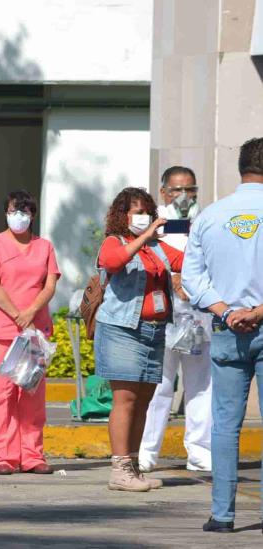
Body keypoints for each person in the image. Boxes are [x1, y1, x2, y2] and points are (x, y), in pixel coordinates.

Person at [182, 137, 263, 534]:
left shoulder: (210, 216)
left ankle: (222, 515)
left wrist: (228, 312)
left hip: (226, 329)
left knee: (225, 424)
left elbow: (192, 281)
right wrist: (258, 312)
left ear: (241, 169)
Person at [94, 187, 183, 492]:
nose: (144, 217)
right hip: (122, 331)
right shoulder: (114, 242)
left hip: (154, 332)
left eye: (147, 211)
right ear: (122, 215)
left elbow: (185, 261)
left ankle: (132, 467)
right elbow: (114, 262)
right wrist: (146, 237)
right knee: (126, 400)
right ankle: (118, 469)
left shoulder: (158, 248)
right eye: (137, 211)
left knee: (143, 401)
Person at [0, 190, 61, 475]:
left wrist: (30, 314)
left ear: (33, 216)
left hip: (35, 332)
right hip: (2, 332)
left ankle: (33, 455)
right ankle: (3, 456)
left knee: (32, 394)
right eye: (14, 211)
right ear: (5, 213)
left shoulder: (45, 247)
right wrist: (17, 314)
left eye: (25, 212)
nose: (19, 217)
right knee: (2, 395)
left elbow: (49, 286)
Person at [138, 167, 212, 473]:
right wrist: (175, 281)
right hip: (164, 315)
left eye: (189, 189)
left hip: (198, 316)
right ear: (164, 191)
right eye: (176, 189)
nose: (183, 196)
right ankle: (146, 451)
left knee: (201, 385)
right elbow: (146, 258)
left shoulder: (206, 220)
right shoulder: (155, 224)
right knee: (159, 385)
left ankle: (200, 451)